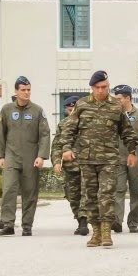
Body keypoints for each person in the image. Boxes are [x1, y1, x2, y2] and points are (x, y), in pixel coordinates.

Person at [60, 70, 138, 248]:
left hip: (109, 159)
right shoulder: (81, 105)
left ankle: (106, 232)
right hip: (87, 160)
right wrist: (66, 149)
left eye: (104, 87)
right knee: (89, 196)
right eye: (98, 87)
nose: (101, 91)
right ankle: (95, 231)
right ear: (92, 88)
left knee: (106, 195)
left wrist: (132, 151)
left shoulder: (116, 106)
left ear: (108, 86)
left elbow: (127, 131)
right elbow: (69, 130)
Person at [0, 76, 50, 237]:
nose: (26, 93)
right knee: (9, 188)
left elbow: (45, 134)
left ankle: (27, 225)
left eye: (28, 90)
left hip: (31, 156)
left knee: (30, 192)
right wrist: (0, 156)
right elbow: (0, 134)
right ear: (16, 91)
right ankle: (7, 223)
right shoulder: (7, 110)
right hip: (11, 155)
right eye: (23, 90)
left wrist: (42, 156)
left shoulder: (37, 111)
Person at [111, 85, 138, 234]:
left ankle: (133, 222)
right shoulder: (114, 116)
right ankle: (117, 220)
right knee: (119, 189)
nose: (116, 101)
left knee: (136, 191)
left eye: (119, 99)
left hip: (137, 159)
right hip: (118, 158)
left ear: (128, 98)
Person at [51, 95, 88, 235]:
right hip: (71, 166)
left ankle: (84, 221)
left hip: (87, 165)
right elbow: (56, 146)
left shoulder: (87, 123)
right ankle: (80, 221)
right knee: (73, 196)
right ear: (66, 109)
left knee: (86, 194)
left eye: (75, 108)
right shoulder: (63, 124)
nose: (72, 111)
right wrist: (56, 162)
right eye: (70, 109)